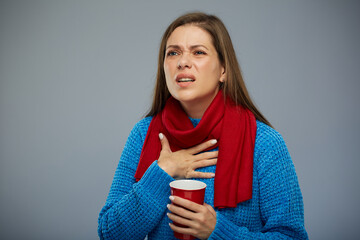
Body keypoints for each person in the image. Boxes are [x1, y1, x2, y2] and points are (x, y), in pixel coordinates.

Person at [98, 12, 308, 240]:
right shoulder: (143, 134)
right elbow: (110, 233)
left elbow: (292, 237)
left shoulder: (265, 142)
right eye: (173, 53)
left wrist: (216, 231)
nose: (182, 62)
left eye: (198, 52)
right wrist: (162, 172)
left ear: (223, 70)